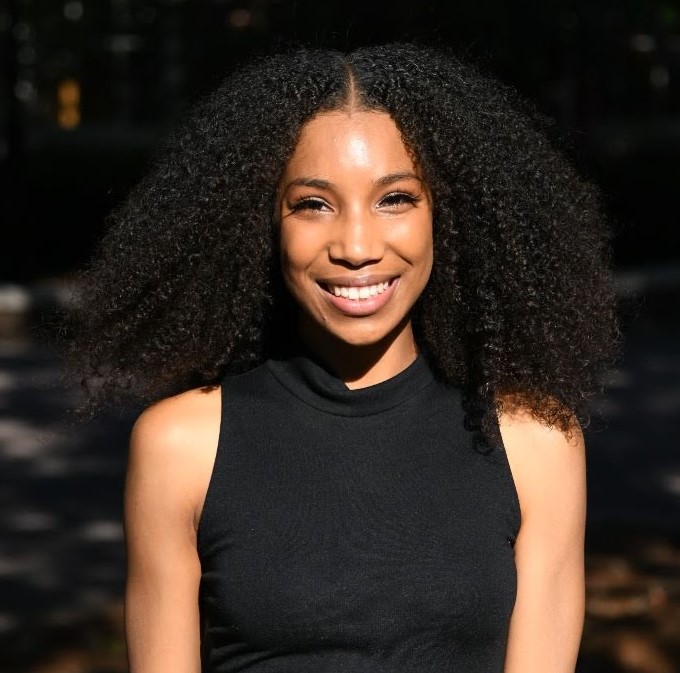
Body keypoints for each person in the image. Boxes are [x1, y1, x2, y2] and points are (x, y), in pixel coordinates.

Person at [69, 44, 618, 672]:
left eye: (395, 198)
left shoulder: (536, 444)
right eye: (313, 204)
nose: (356, 246)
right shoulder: (181, 446)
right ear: (263, 224)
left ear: (447, 216)